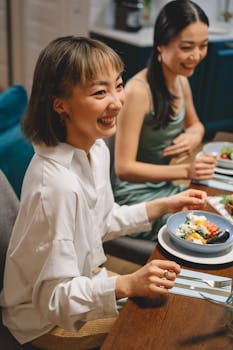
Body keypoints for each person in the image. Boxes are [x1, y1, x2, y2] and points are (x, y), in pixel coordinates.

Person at [0, 36, 207, 346]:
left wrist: (165, 204)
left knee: (176, 303)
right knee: (160, 333)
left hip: (86, 279)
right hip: (43, 322)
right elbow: (53, 301)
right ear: (61, 104)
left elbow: (103, 221)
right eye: (100, 92)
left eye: (118, 85)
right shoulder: (55, 187)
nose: (117, 102)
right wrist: (125, 284)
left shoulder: (96, 149)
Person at [112, 0, 217, 241]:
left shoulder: (180, 79)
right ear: (161, 44)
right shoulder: (138, 91)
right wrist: (186, 170)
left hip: (165, 187)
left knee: (215, 214)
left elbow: (196, 125)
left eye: (203, 46)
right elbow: (124, 168)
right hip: (134, 198)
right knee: (202, 231)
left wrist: (193, 135)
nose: (196, 55)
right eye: (187, 47)